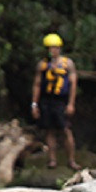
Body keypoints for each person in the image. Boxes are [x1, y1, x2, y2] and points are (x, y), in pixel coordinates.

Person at [31, 33, 79, 170]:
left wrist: (71, 104)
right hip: (47, 100)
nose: (52, 51)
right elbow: (37, 84)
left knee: (66, 130)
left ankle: (71, 160)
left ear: (59, 48)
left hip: (61, 101)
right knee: (49, 130)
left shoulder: (67, 64)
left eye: (54, 48)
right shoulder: (42, 65)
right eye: (49, 48)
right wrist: (34, 104)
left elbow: (73, 84)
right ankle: (52, 160)